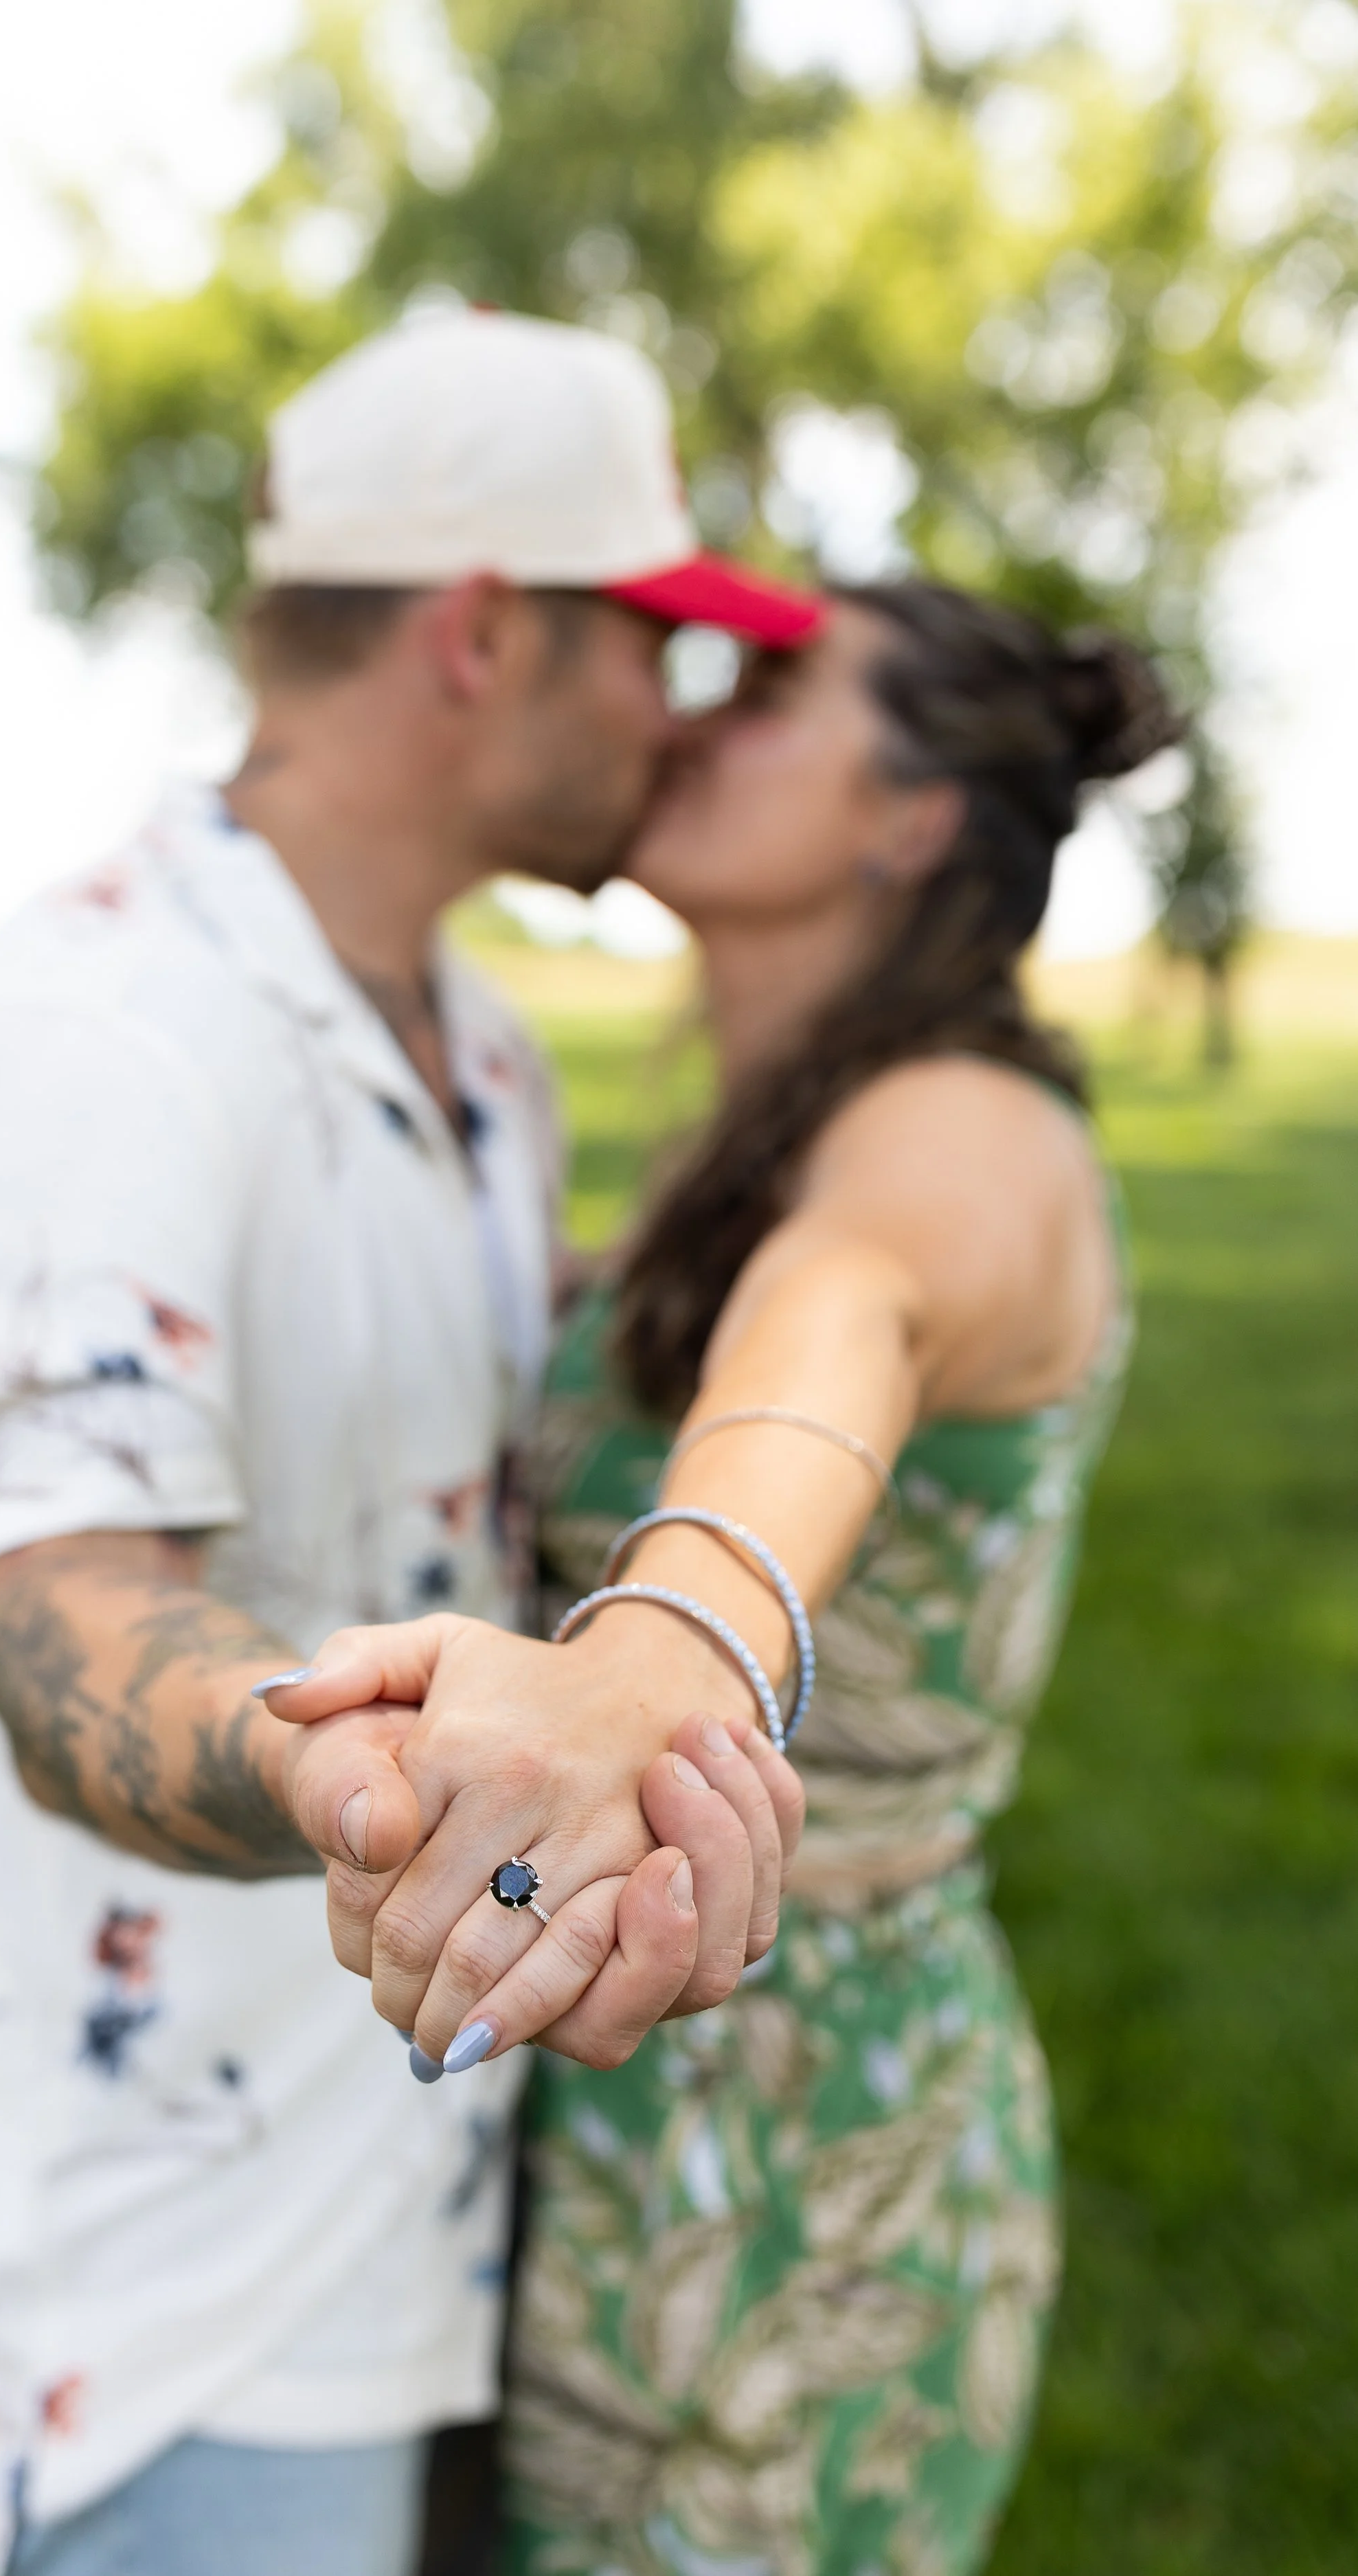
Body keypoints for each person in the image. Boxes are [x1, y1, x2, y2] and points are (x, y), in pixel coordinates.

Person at [0, 308, 817, 2576]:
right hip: (180, 2290)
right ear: (486, 633)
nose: (671, 707)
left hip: (444, 2164)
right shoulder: (103, 1039)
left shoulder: (478, 1045)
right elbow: (52, 1604)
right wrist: (330, 1769)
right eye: (645, 637)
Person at [267, 580, 1181, 2576]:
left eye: (767, 686)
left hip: (808, 2153)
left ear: (909, 816)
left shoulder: (963, 1129)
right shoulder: (727, 1143)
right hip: (584, 2094)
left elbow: (840, 1314)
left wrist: (666, 1637)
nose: (683, 712)